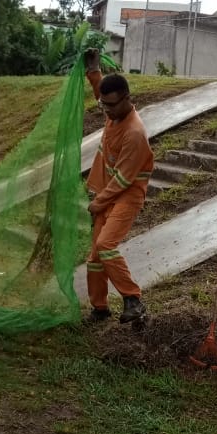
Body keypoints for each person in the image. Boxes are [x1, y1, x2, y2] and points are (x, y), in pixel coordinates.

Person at [85, 74, 154, 326]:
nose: (106, 110)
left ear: (127, 99)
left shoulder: (134, 133)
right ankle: (100, 309)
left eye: (111, 105)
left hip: (126, 196)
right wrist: (93, 74)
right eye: (104, 104)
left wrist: (97, 203)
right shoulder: (113, 113)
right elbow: (101, 94)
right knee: (94, 259)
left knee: (105, 245)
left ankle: (133, 299)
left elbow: (123, 181)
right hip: (108, 194)